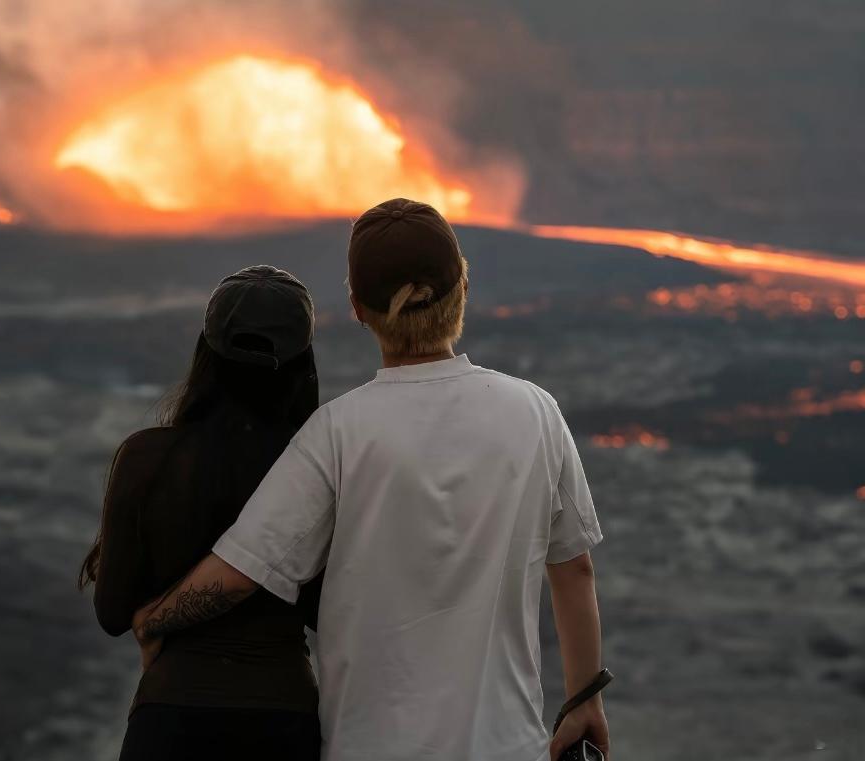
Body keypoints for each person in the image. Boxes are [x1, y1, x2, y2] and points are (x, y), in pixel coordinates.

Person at [133, 198, 610, 761]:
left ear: (359, 309)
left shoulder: (336, 432)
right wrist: (584, 700)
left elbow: (240, 572)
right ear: (462, 287)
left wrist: (152, 619)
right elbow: (574, 567)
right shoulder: (535, 412)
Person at [78, 265, 325, 761]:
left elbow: (111, 613)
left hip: (171, 718)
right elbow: (327, 609)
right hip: (283, 719)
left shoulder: (147, 457)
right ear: (302, 363)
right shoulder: (318, 468)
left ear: (205, 356)